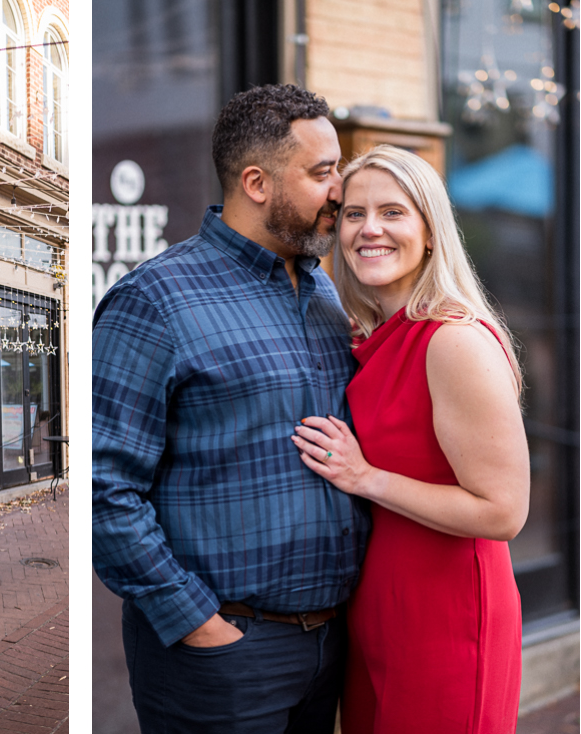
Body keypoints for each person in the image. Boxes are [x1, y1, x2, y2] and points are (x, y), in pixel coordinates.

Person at [92, 84, 370, 733]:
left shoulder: (326, 293)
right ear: (256, 182)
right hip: (223, 656)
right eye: (323, 173)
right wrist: (195, 621)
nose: (341, 192)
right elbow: (106, 490)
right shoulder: (154, 301)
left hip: (331, 644)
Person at [292, 145, 528, 733]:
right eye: (353, 213)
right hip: (379, 613)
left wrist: (365, 476)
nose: (369, 229)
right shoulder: (379, 335)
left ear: (429, 232)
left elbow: (503, 512)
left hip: (448, 618)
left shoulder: (453, 341)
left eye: (393, 212)